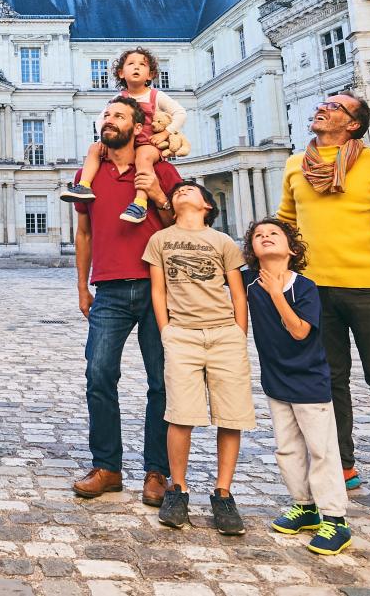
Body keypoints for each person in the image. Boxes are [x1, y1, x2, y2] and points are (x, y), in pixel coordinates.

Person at [277, 92, 370, 519]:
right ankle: (342, 463)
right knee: (330, 381)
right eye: (322, 103)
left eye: (336, 107)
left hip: (368, 285)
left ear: (353, 124)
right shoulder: (295, 165)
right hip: (316, 290)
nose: (323, 108)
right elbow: (286, 223)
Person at [72, 95, 181, 506]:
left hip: (159, 288)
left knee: (161, 382)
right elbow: (83, 233)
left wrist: (157, 195)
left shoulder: (162, 168)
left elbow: (179, 225)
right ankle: (107, 466)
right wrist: (83, 286)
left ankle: (157, 471)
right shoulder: (89, 174)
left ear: (138, 128)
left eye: (119, 115)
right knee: (99, 375)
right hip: (110, 290)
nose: (109, 120)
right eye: (106, 115)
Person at [143, 181, 255, 535]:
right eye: (176, 192)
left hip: (224, 333)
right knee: (180, 413)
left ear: (207, 205)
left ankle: (223, 493)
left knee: (231, 413)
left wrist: (239, 332)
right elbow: (158, 289)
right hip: (182, 335)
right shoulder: (160, 239)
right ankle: (178, 488)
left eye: (189, 190)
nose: (180, 192)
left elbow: (238, 292)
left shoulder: (222, 242)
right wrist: (166, 330)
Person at [243, 217, 352, 556]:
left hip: (309, 379)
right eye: (259, 236)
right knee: (287, 447)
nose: (265, 237)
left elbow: (300, 331)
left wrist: (276, 294)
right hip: (276, 379)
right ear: (252, 251)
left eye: (273, 234)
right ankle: (304, 506)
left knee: (321, 449)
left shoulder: (303, 286)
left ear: (291, 249)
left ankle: (335, 518)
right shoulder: (247, 282)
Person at [62, 46, 186, 224]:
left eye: (142, 65)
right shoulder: (118, 98)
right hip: (123, 144)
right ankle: (84, 186)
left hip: (148, 143)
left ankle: (140, 203)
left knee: (143, 159)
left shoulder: (156, 96)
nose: (136, 67)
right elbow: (100, 120)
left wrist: (166, 133)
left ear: (150, 75)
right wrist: (104, 140)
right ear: (121, 73)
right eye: (131, 64)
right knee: (93, 149)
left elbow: (180, 113)